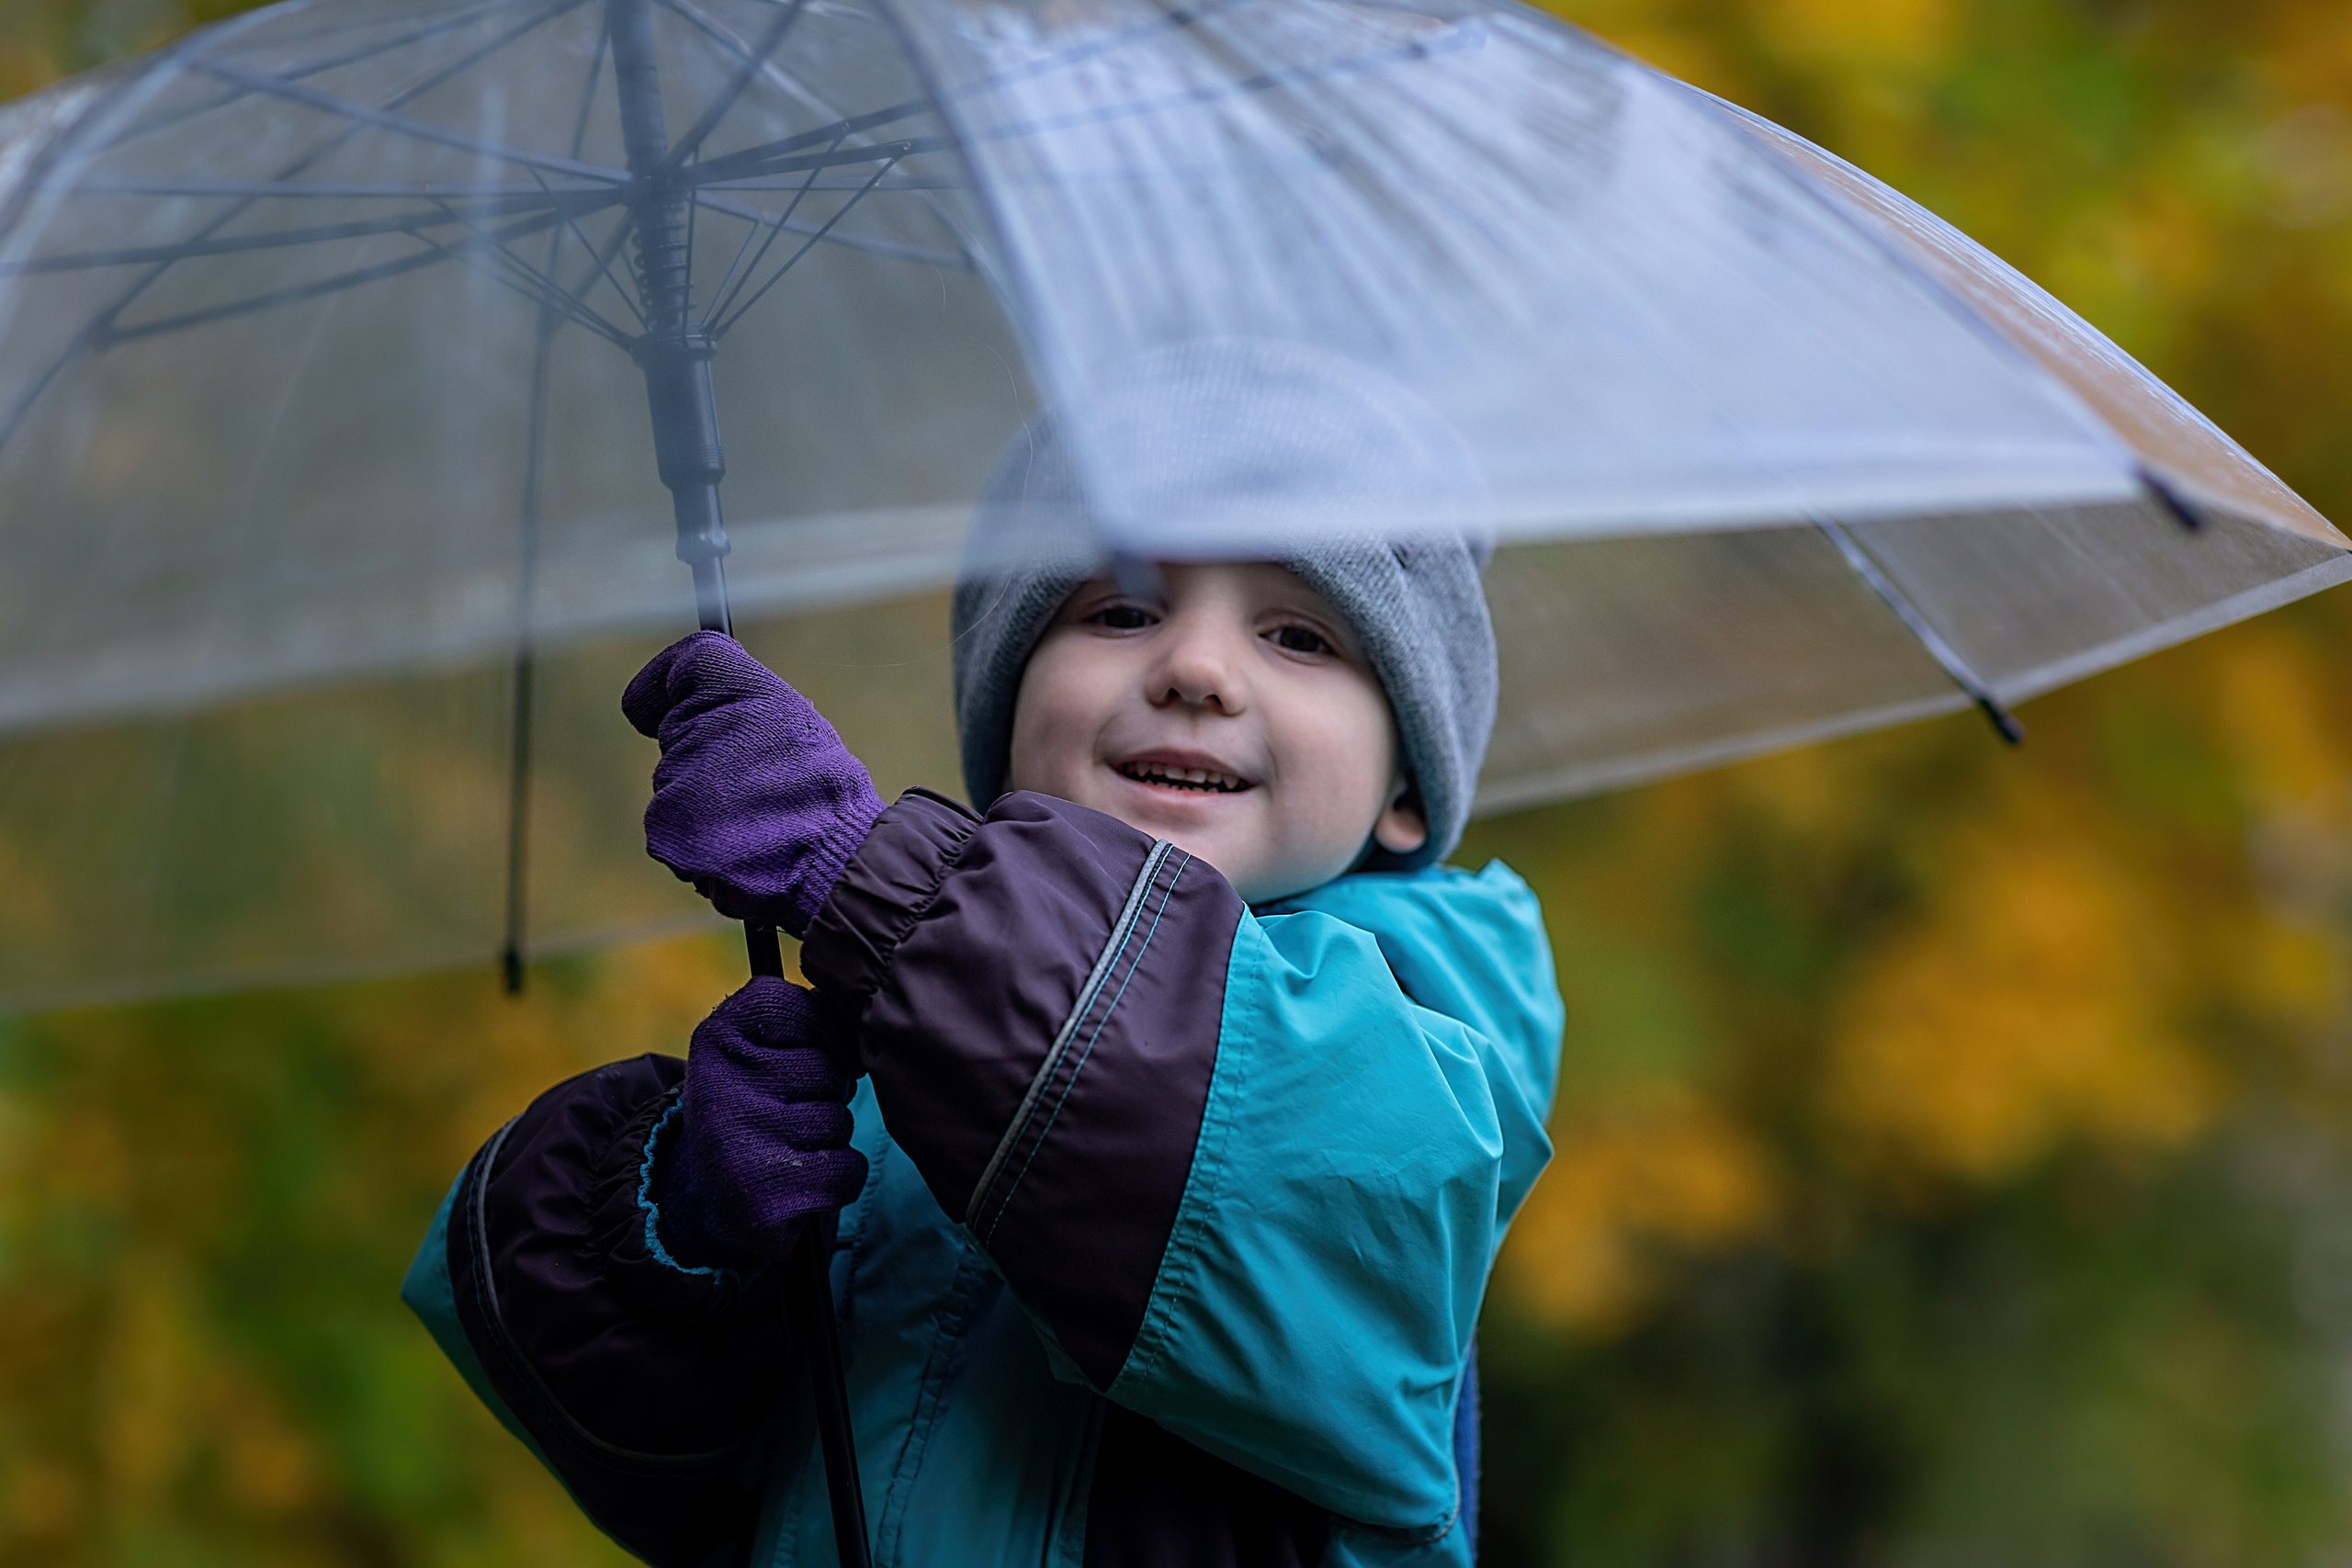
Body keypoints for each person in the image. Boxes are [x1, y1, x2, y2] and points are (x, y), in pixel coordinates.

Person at [401, 343, 1564, 1567]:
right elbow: (668, 1477)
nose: (1196, 671)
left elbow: (1265, 1158)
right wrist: (690, 1223)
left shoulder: (1436, 1027)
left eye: (1298, 637)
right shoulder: (900, 1036)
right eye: (1120, 611)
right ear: (1004, 714)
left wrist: (869, 880)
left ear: (1407, 794)